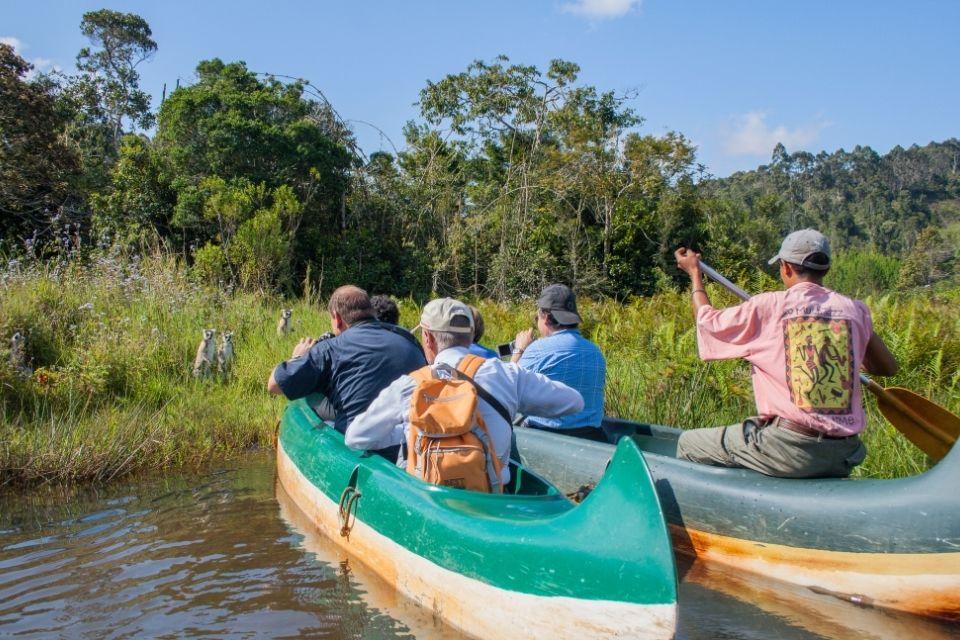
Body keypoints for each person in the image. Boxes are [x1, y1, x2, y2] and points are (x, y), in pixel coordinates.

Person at [673, 229, 899, 478]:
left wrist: (694, 274)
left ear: (786, 268)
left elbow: (708, 322)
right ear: (825, 269)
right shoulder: (855, 310)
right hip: (844, 452)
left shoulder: (769, 306)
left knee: (687, 444)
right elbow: (886, 367)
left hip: (790, 449)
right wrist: (839, 357)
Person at [345, 298, 584, 487]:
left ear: (427, 337)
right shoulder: (509, 374)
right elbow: (574, 402)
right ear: (470, 336)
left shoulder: (408, 385)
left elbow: (356, 437)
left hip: (429, 499)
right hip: (492, 499)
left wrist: (409, 432)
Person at [267, 286, 427, 448]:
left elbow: (274, 385)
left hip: (359, 447)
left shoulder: (329, 349)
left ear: (337, 318)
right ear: (371, 311)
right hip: (413, 445)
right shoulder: (409, 341)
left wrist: (297, 357)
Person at [511, 284, 608, 441]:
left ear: (547, 318)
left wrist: (519, 350)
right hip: (592, 437)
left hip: (546, 438)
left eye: (537, 318)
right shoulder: (596, 352)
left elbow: (506, 388)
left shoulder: (537, 349)